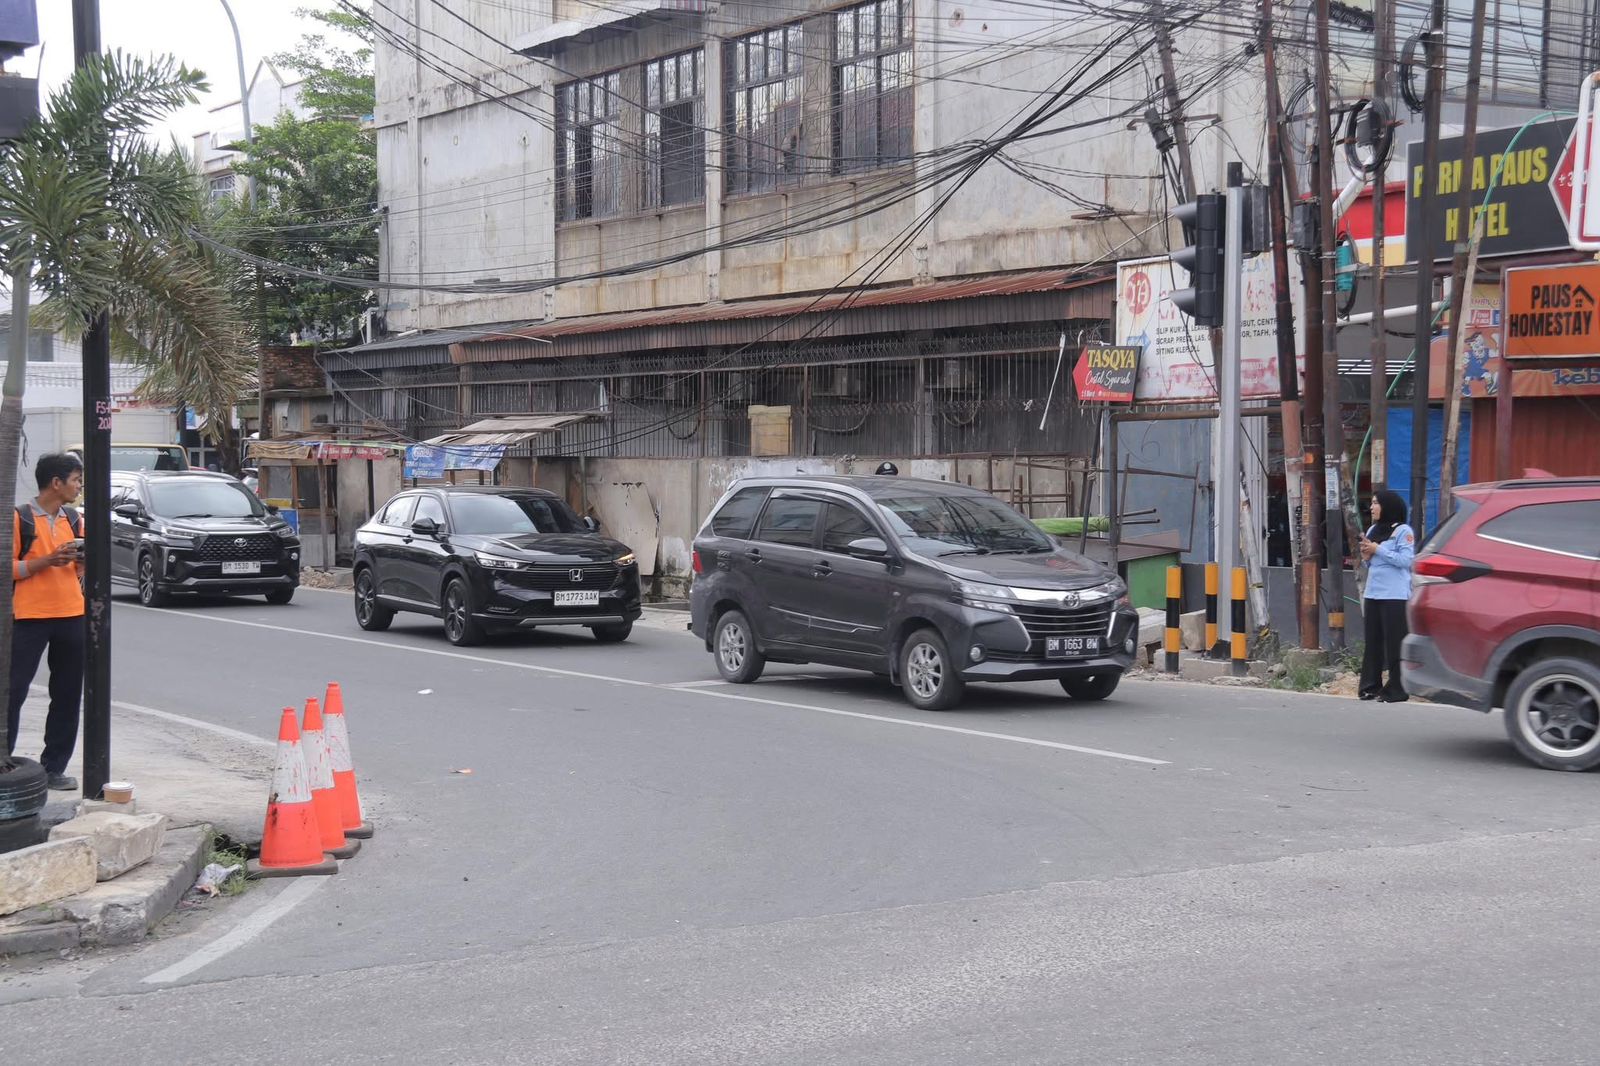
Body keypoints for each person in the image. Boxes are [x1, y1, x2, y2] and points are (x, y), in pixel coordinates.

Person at [8, 453, 87, 790]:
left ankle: (54, 768)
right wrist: (47, 561)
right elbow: (7, 568)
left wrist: (83, 560)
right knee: (12, 694)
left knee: (67, 696)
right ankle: (4, 765)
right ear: (56, 483)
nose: (79, 487)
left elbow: (80, 569)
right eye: (75, 481)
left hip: (72, 615)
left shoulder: (73, 519)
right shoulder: (19, 519)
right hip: (28, 618)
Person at [1358, 488, 1415, 703]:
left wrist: (1378, 549)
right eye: (1372, 503)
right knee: (1373, 641)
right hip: (1374, 592)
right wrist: (1366, 555)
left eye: (1376, 503)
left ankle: (1396, 689)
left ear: (1388, 506)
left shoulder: (1403, 531)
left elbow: (1406, 561)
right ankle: (1370, 686)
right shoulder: (1373, 529)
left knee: (1394, 643)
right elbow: (1372, 562)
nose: (1371, 507)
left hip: (1395, 595)